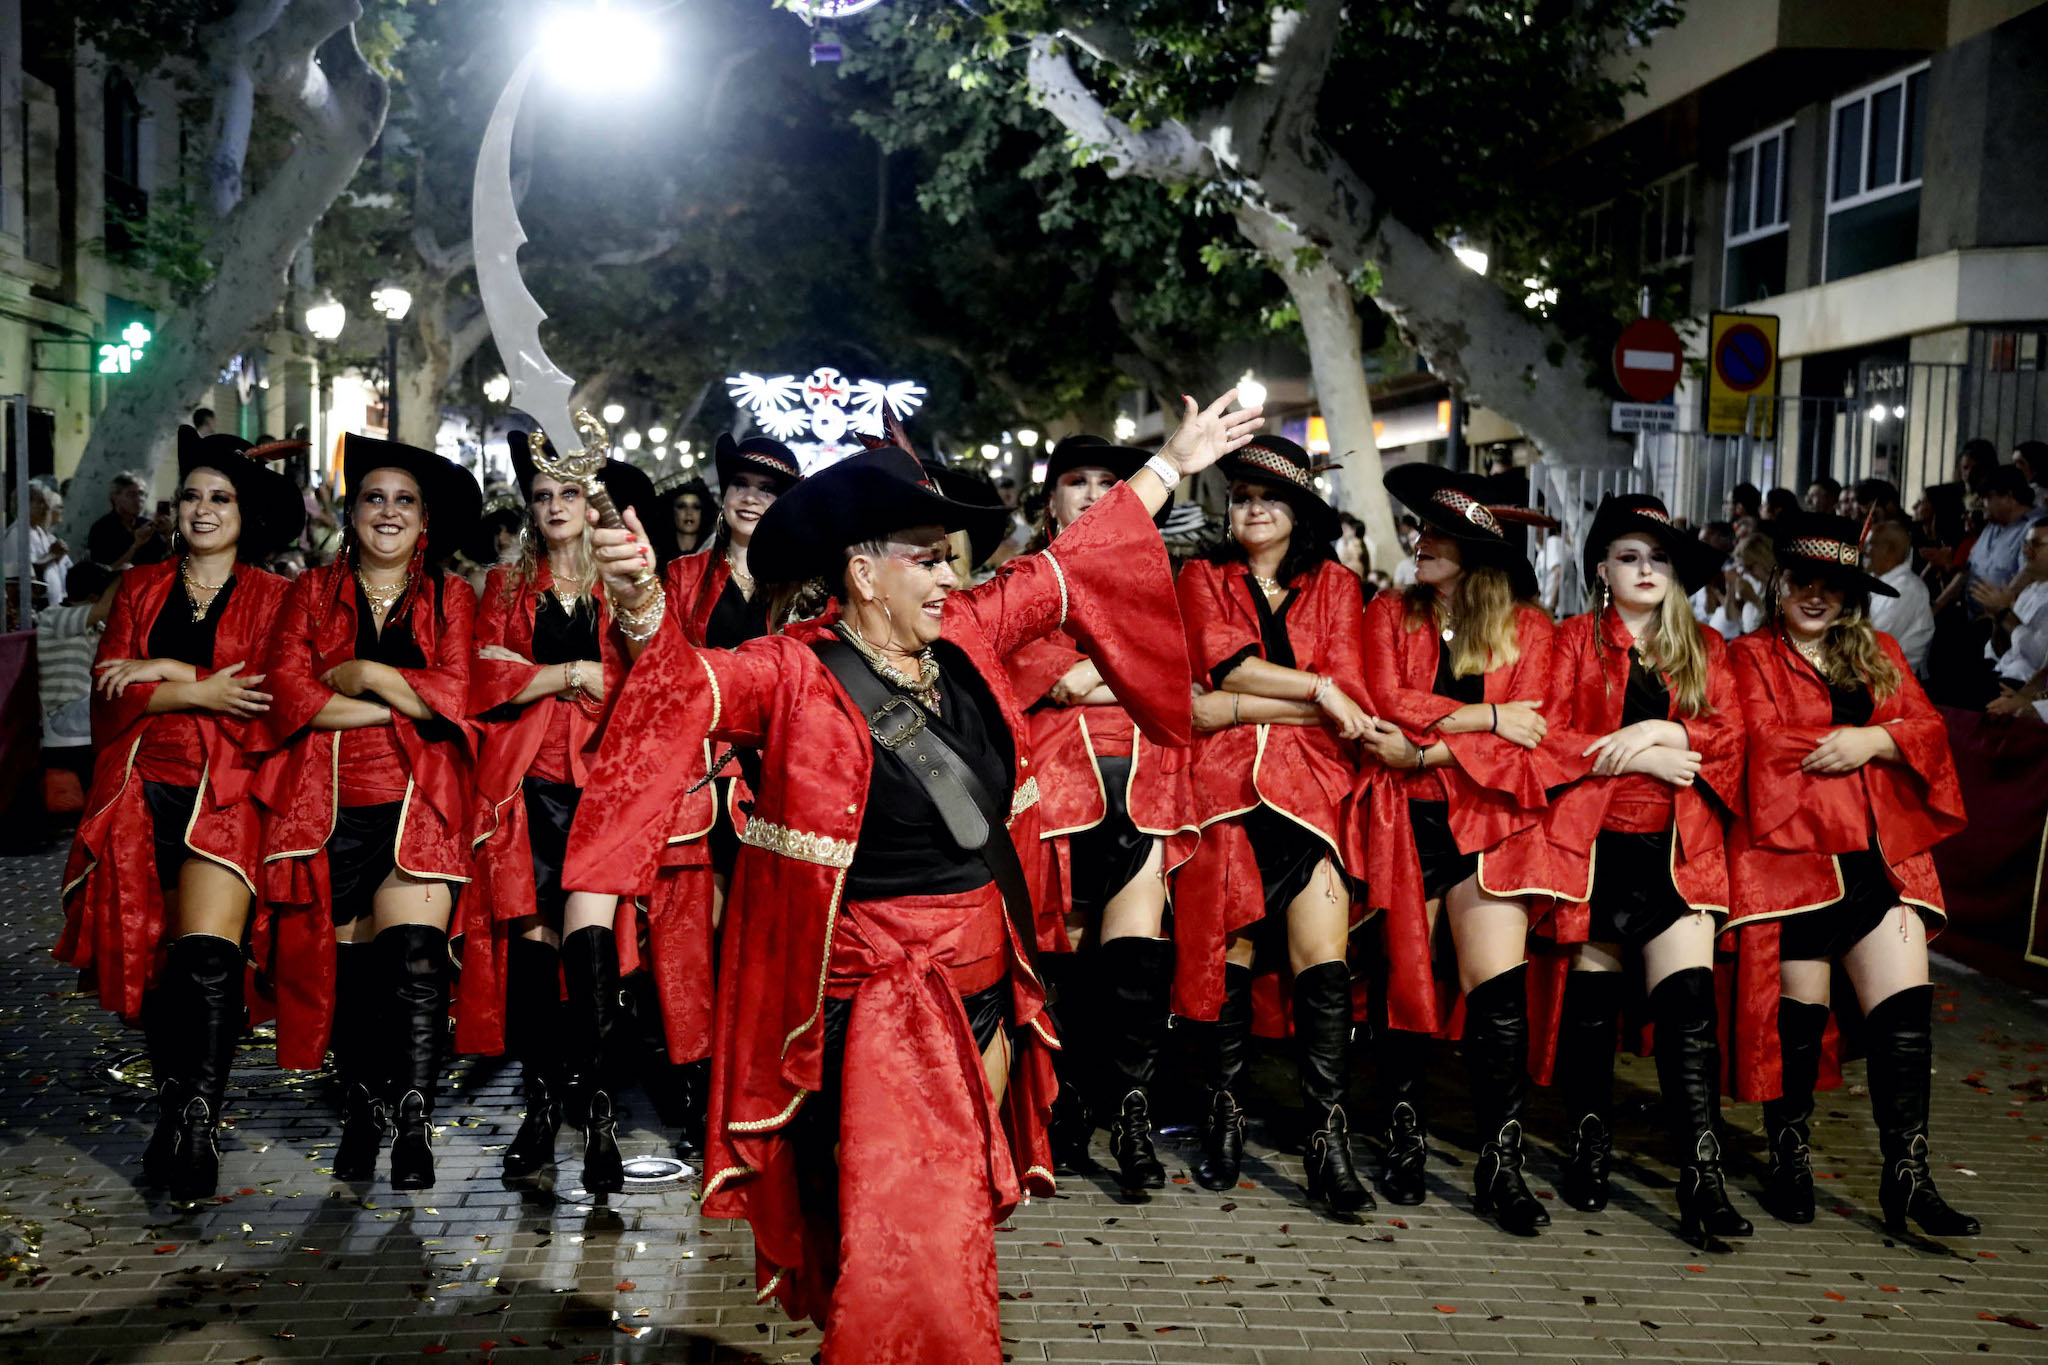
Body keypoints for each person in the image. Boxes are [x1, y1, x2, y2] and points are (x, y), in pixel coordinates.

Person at [565, 392, 1258, 1364]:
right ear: (861, 568)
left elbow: (1077, 558)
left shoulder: (970, 632)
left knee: (952, 1209)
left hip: (981, 979)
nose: (947, 574)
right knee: (895, 1226)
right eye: (926, 556)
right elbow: (686, 690)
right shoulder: (790, 671)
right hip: (863, 1000)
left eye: (947, 556)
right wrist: (642, 606)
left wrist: (1174, 462)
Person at [55, 427, 305, 1198]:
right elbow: (109, 688)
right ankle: (173, 1104)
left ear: (245, 513)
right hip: (138, 788)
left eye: (218, 497)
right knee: (160, 970)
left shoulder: (277, 596)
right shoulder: (140, 587)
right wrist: (200, 685)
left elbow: (267, 693)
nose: (201, 508)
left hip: (225, 791)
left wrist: (162, 671)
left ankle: (198, 1119)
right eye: (190, 496)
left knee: (206, 956)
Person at [1500, 495, 1751, 1246]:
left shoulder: (1707, 646)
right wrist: (1644, 751)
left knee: (1689, 1015)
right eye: (1630, 556)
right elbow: (1544, 736)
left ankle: (1701, 1176)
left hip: (1681, 849)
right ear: (1602, 569)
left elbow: (1731, 739)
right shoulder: (1570, 639)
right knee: (1591, 1014)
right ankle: (1588, 1143)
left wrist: (1660, 723)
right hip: (1594, 845)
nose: (1646, 569)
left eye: (1659, 557)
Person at [1725, 509, 1976, 1238]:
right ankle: (1789, 1160)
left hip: (1880, 859)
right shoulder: (1749, 656)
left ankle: (1910, 1178)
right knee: (1797, 1027)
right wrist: (1873, 743)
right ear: (1778, 582)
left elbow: (1928, 730)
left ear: (1850, 593)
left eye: (1832, 585)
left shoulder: (1880, 650)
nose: (1816, 595)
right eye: (1802, 580)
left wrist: (1875, 735)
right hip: (1794, 863)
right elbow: (1764, 745)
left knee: (1906, 1020)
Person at [249, 434, 479, 1192]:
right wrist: (398, 705)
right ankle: (360, 1105)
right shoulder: (308, 592)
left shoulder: (453, 597)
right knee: (349, 979)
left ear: (425, 523)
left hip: (420, 804)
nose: (388, 510)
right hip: (326, 808)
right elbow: (290, 693)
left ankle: (414, 1117)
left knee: (415, 959)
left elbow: (457, 698)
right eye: (373, 497)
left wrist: (363, 670)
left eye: (404, 500)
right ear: (351, 514)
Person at [1356, 463, 1568, 1234]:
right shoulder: (1390, 612)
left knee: (1497, 996)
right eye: (1421, 529)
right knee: (1403, 980)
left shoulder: (1531, 629)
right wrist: (1486, 719)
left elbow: (1535, 732)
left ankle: (1499, 1163)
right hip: (1405, 818)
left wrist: (1433, 750)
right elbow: (1387, 706)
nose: (1422, 542)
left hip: (1491, 821)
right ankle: (1404, 1137)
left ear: (1481, 553)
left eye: (1440, 533)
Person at [1173, 434, 1373, 1214]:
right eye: (1242, 495)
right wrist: (1318, 692)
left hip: (1317, 791)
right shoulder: (1202, 576)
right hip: (1226, 789)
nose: (1252, 507)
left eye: (1269, 497)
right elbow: (1220, 668)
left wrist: (1234, 707)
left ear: (1298, 512)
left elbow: (1352, 693)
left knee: (1323, 958)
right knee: (1234, 945)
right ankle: (1224, 1113)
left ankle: (1328, 1137)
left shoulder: (1338, 585)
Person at [459, 441, 665, 1193]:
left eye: (567, 494)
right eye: (541, 494)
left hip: (605, 789)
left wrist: (540, 678)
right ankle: (541, 1110)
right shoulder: (506, 585)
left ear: (590, 503)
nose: (552, 507)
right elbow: (486, 678)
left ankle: (600, 1112)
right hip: (528, 788)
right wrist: (578, 673)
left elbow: (655, 676)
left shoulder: (627, 580)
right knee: (538, 960)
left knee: (592, 948)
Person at [1005, 434, 1198, 1193]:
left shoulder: (1163, 580)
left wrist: (1095, 675)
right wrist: (1103, 676)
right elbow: (1020, 672)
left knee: (1135, 972)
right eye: (1075, 482)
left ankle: (1132, 1118)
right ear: (1049, 499)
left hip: (1145, 782)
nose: (1090, 493)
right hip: (1056, 788)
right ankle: (1063, 1110)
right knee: (1060, 964)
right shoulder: (1023, 577)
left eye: (1106, 481)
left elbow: (1183, 680)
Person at [1986, 520, 2048, 721]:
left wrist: (2005, 612)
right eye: (2026, 544)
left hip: (2021, 680)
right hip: (2006, 675)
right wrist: (1997, 617)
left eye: (2036, 545)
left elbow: (2037, 658)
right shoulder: (2030, 590)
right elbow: (2002, 651)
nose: (2026, 552)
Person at [1865, 520, 1936, 676]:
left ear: (1888, 550)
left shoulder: (1908, 589)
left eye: (1872, 545)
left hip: (1895, 682)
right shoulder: (1876, 579)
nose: (1867, 552)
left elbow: (1871, 640)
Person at [88, 471, 174, 570]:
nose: (139, 499)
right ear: (115, 497)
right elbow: (105, 573)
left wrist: (169, 534)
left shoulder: (147, 525)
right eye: (131, 494)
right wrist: (136, 545)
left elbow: (166, 561)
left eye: (141, 494)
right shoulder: (102, 529)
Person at [3, 480, 69, 609]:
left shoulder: (38, 531)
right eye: (40, 502)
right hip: (32, 610)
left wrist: (57, 557)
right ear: (24, 504)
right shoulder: (16, 534)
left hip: (50, 607)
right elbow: (16, 577)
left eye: (46, 502)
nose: (47, 507)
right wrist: (52, 555)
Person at [662, 473, 712, 556]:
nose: (689, 513)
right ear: (672, 511)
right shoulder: (659, 554)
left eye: (696, 507)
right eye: (681, 506)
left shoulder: (714, 553)